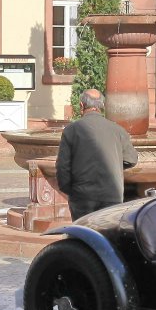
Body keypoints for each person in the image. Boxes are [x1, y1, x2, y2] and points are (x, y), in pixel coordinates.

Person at [55, 88, 139, 220]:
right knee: (108, 231)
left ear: (81, 105)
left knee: (83, 231)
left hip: (82, 196)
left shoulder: (71, 130)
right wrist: (114, 166)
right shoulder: (118, 130)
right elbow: (131, 159)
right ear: (102, 106)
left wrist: (70, 190)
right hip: (112, 194)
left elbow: (62, 167)